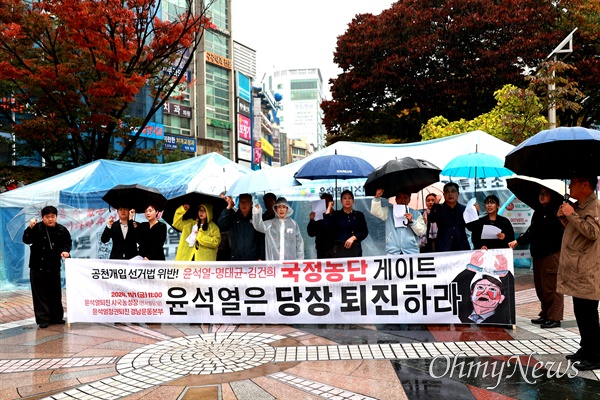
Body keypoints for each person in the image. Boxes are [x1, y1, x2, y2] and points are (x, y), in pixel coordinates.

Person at [556, 175, 600, 371]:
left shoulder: (594, 206)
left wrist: (571, 214)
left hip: (588, 270)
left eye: (573, 182)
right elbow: (579, 234)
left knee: (588, 313)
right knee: (580, 311)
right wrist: (566, 220)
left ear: (585, 184)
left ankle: (596, 355)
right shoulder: (581, 206)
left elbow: (592, 232)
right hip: (577, 270)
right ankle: (586, 347)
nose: (570, 186)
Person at [509, 187, 564, 329]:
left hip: (551, 254)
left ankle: (554, 317)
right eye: (540, 193)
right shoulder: (538, 212)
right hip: (538, 254)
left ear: (552, 196)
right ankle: (545, 314)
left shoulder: (558, 212)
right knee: (541, 287)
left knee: (552, 286)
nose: (542, 196)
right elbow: (532, 231)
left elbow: (559, 232)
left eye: (545, 194)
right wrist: (518, 241)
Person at [22, 206, 72, 329]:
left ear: (56, 217)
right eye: (47, 217)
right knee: (40, 294)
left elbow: (67, 242)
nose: (50, 219)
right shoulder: (36, 228)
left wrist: (65, 251)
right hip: (37, 266)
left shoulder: (61, 229)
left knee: (55, 292)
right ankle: (42, 319)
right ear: (42, 217)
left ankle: (56, 317)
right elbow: (26, 239)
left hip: (54, 266)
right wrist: (30, 228)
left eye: (52, 216)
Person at [454, 251, 515, 325]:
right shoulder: (463, 311)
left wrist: (503, 273)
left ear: (501, 298)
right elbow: (455, 288)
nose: (485, 292)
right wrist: (472, 268)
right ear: (471, 294)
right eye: (480, 288)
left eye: (492, 289)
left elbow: (510, 293)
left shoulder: (502, 316)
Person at [370, 188, 426, 255]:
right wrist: (377, 197)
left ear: (409, 199)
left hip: (411, 251)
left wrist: (412, 222)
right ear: (396, 199)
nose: (402, 200)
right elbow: (376, 211)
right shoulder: (389, 211)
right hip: (393, 251)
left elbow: (422, 231)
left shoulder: (415, 213)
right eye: (399, 197)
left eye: (405, 198)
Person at [252, 197, 304, 261]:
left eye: (284, 207)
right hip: (273, 262)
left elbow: (299, 243)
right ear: (275, 209)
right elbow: (258, 226)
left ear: (287, 209)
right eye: (279, 207)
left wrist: (300, 259)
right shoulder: (270, 224)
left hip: (290, 263)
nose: (281, 209)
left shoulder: (293, 224)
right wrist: (257, 212)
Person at [218, 193, 265, 261]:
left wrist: (261, 257)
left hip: (253, 259)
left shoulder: (256, 217)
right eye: (241, 202)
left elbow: (262, 238)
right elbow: (222, 224)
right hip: (237, 259)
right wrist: (228, 208)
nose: (243, 204)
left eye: (246, 202)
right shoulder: (234, 217)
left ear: (251, 203)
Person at [323, 190, 369, 257]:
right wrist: (329, 207)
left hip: (355, 250)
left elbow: (364, 232)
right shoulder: (336, 214)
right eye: (344, 198)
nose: (347, 200)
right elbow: (326, 224)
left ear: (353, 201)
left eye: (350, 198)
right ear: (341, 201)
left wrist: (354, 237)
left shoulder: (359, 215)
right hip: (339, 251)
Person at [428, 182, 471, 251]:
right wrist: (435, 204)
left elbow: (470, 227)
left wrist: (474, 213)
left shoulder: (464, 209)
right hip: (443, 247)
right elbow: (432, 219)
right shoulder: (439, 208)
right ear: (444, 194)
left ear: (458, 194)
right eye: (447, 191)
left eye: (453, 191)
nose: (450, 194)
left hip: (461, 246)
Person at [307, 192, 335, 258]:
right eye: (322, 202)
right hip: (321, 250)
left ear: (332, 203)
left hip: (336, 249)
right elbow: (311, 233)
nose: (325, 204)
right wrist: (312, 220)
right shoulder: (318, 217)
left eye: (327, 202)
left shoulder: (337, 215)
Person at [216, 191, 231, 261]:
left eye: (225, 199)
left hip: (231, 247)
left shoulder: (234, 211)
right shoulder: (216, 212)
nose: (223, 201)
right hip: (219, 247)